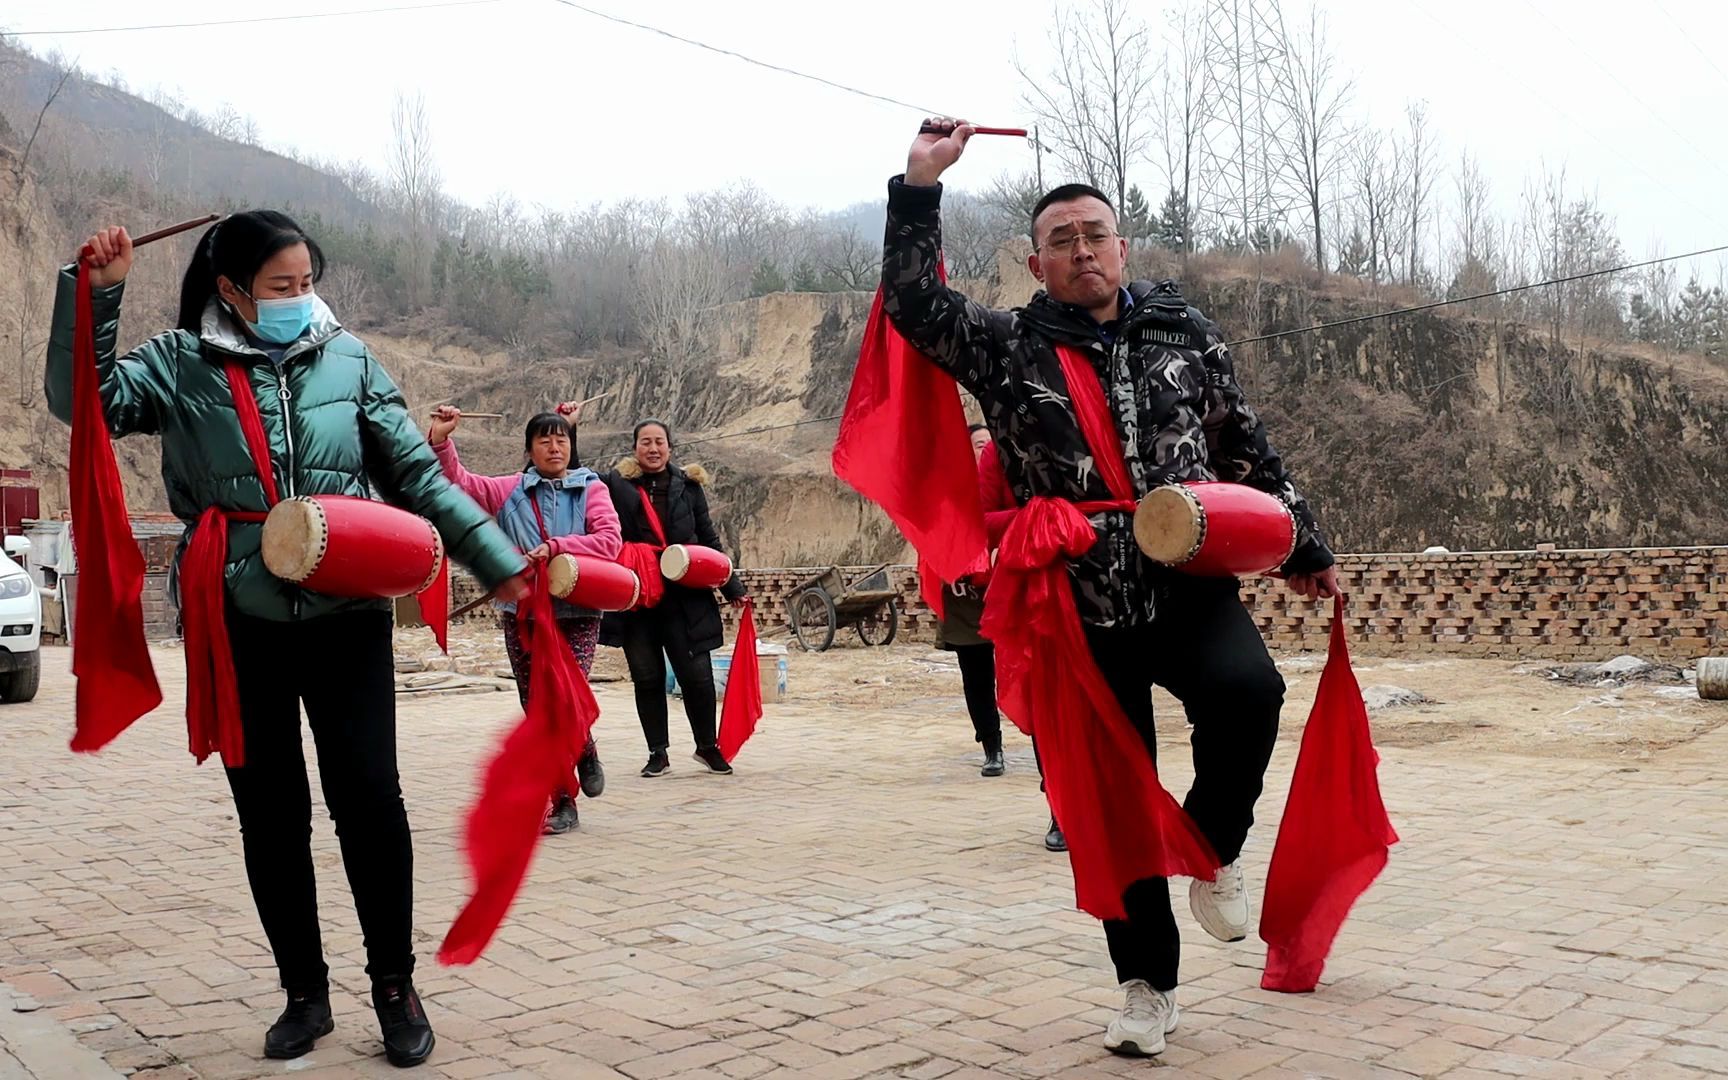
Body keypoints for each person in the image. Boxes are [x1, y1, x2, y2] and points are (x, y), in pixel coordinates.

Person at [881, 121, 1340, 1057]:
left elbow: (1242, 445)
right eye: (1062, 240)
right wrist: (920, 185)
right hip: (1073, 606)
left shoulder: (1184, 333)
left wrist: (1303, 540)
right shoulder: (1006, 349)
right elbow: (915, 305)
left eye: (1095, 234)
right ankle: (1145, 989)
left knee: (1250, 693)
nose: (1082, 251)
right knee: (1108, 805)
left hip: (1185, 580)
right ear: (1035, 261)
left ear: (1122, 246)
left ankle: (1215, 846)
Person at [45, 212, 530, 1067]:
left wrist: (496, 562)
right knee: (271, 818)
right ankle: (303, 993)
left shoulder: (348, 360)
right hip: (239, 619)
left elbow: (416, 475)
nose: (300, 299)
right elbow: (81, 400)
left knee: (372, 803)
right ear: (231, 288)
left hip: (348, 614)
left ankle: (394, 987)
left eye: (307, 281)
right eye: (280, 287)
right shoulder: (178, 363)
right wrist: (97, 296)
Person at [428, 402, 621, 834]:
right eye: (544, 439)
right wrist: (442, 440)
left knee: (563, 698)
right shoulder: (510, 489)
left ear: (571, 445)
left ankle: (582, 747)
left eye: (561, 438)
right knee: (538, 708)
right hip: (524, 612)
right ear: (529, 449)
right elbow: (459, 485)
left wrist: (557, 549)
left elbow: (609, 542)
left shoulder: (592, 488)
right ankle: (562, 800)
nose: (555, 446)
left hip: (578, 610)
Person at [601, 420, 747, 777]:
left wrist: (732, 586)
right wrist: (569, 428)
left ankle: (707, 747)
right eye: (645, 442)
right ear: (634, 447)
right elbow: (572, 471)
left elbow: (708, 539)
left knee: (697, 677)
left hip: (686, 597)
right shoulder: (616, 485)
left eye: (659, 442)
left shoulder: (689, 486)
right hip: (638, 596)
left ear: (670, 447)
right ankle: (657, 752)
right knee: (647, 677)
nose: (653, 448)